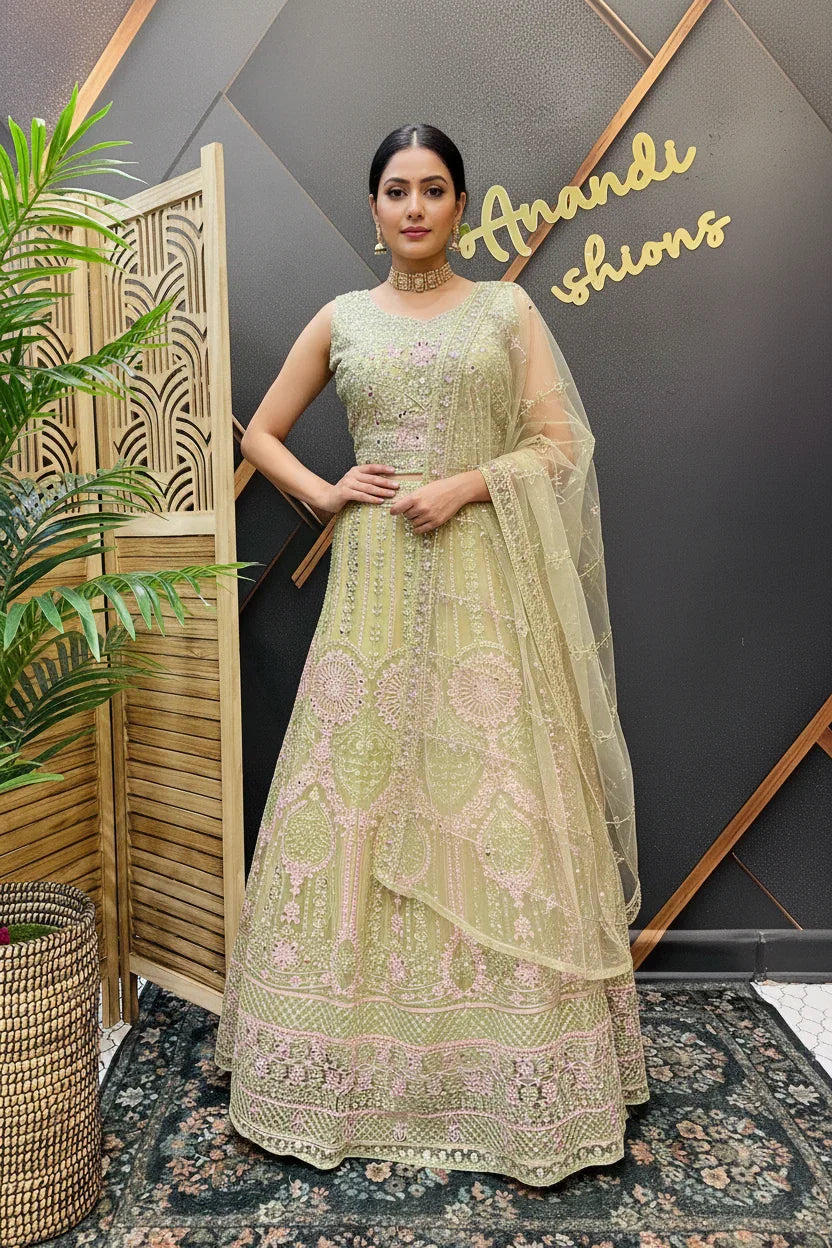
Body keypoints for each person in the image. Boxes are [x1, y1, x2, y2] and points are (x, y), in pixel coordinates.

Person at [214, 122, 650, 1187]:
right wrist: (321, 493)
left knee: (493, 790)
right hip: (368, 582)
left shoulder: (507, 310)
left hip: (480, 579)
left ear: (461, 205)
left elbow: (558, 444)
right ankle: (344, 1069)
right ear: (374, 210)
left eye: (435, 189)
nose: (415, 207)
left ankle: (504, 1070)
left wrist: (465, 482)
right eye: (397, 190)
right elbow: (260, 429)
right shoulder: (342, 318)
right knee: (358, 787)